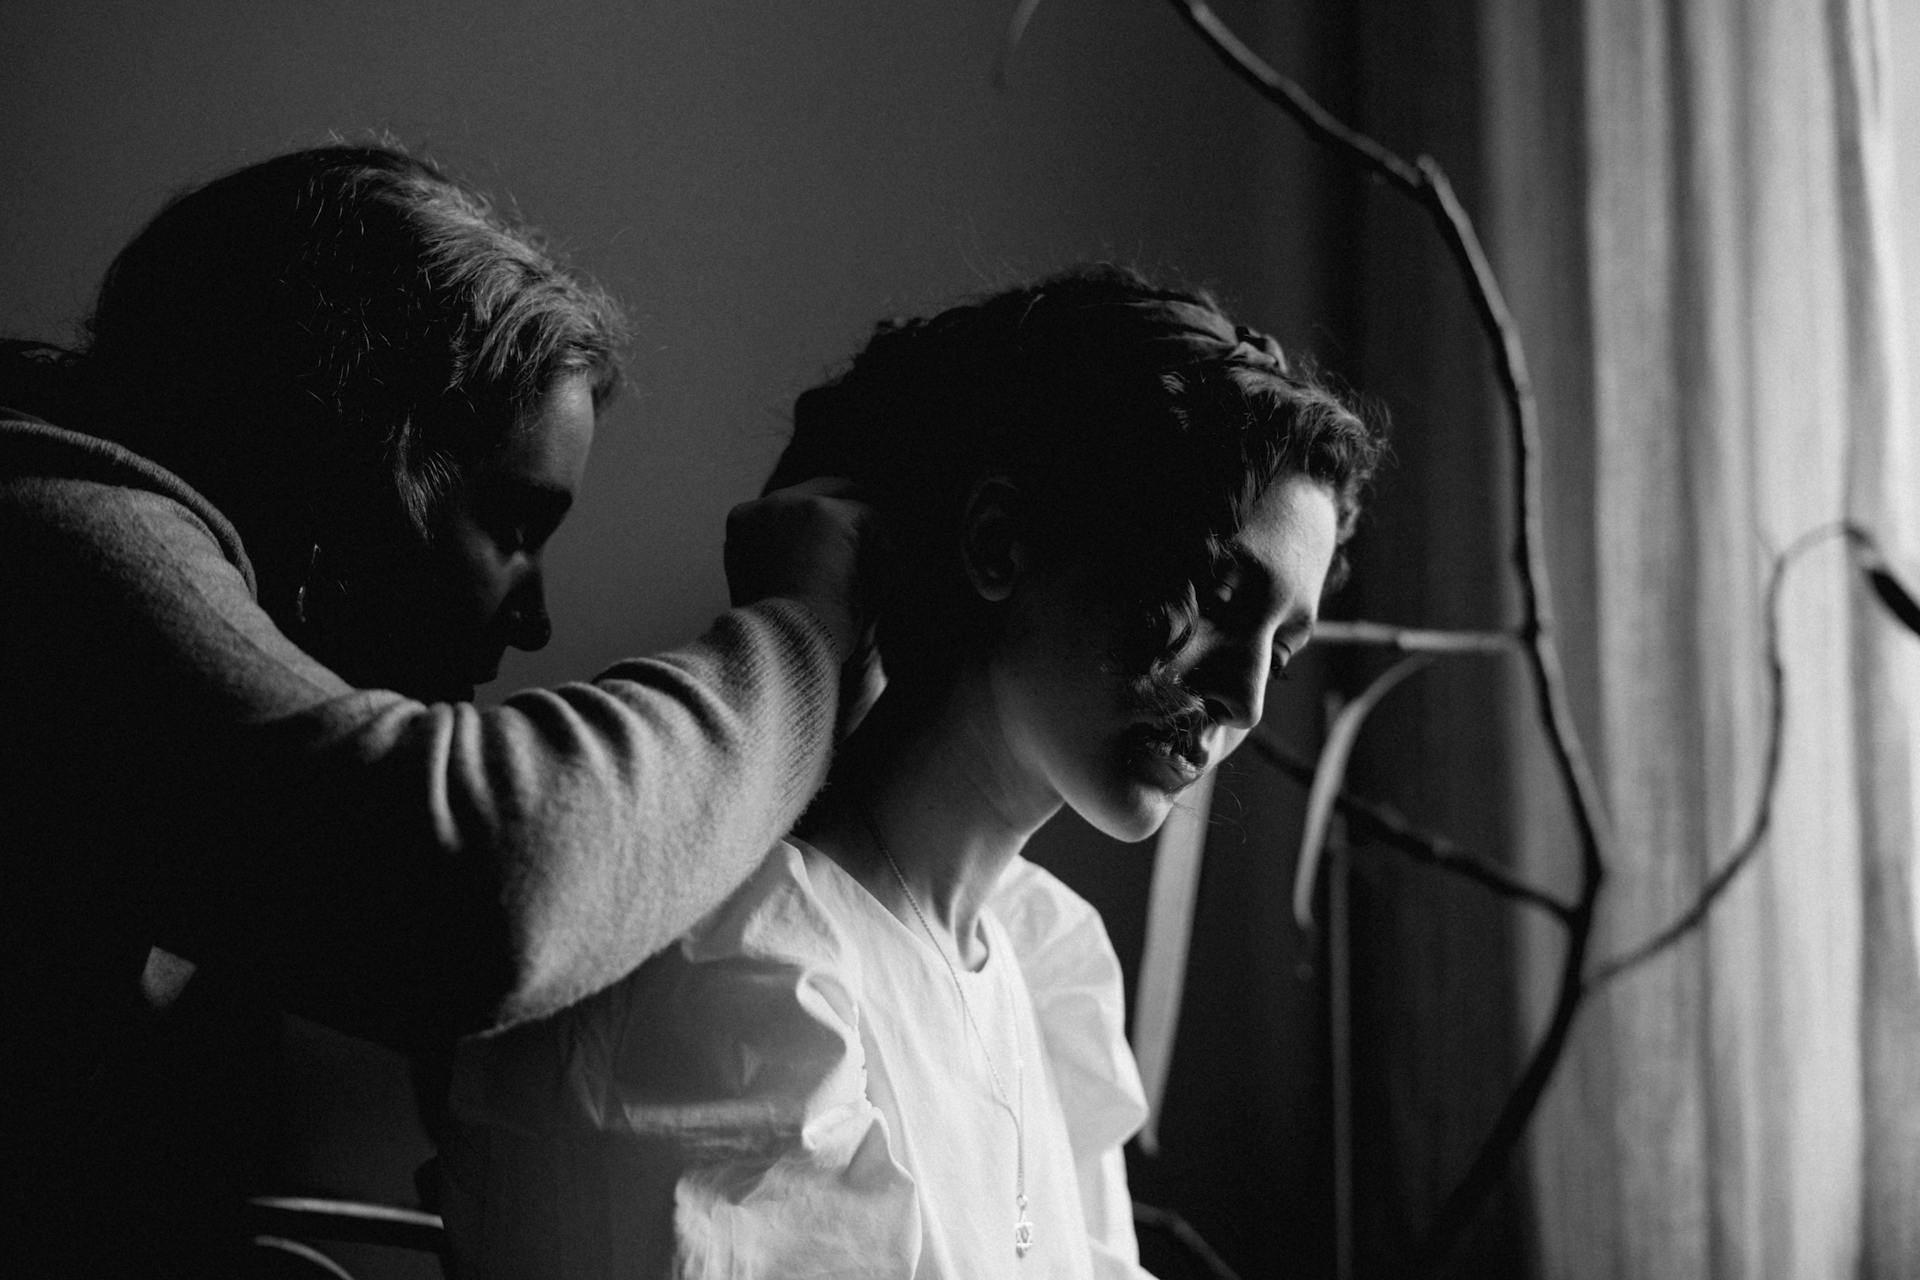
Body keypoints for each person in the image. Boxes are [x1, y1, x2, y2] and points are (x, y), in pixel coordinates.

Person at [0, 142, 872, 1277]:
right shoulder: (51, 537)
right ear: (348, 449)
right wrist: (804, 633)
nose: (536, 621)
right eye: (514, 524)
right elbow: (477, 879)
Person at [442, 264, 1386, 1279]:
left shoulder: (1046, 953)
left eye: (1281, 647)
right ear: (997, 543)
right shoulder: (741, 962)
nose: (1243, 699)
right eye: (1216, 591)